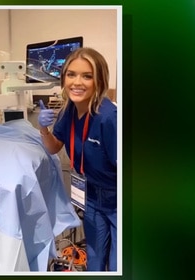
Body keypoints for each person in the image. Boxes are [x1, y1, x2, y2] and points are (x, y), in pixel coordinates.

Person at [38, 47, 117, 271]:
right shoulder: (68, 112)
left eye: (87, 76)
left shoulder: (109, 118)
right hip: (91, 196)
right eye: (71, 74)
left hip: (117, 200)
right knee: (94, 262)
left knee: (117, 265)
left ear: (99, 80)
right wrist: (43, 129)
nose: (77, 82)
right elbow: (54, 148)